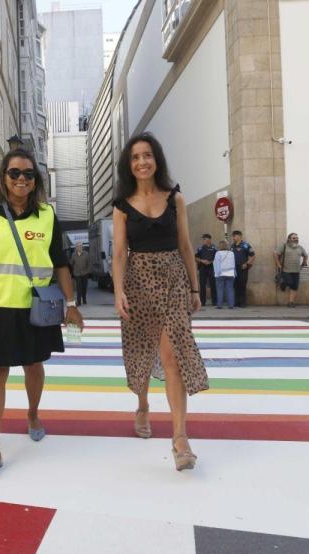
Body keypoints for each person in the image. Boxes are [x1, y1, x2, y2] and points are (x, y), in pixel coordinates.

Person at [0, 148, 84, 483]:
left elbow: (61, 264)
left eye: (28, 174)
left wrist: (71, 307)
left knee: (33, 365)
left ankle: (32, 414)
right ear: (3, 178)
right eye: (14, 173)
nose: (21, 179)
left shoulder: (47, 215)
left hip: (36, 307)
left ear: (36, 180)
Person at [111, 132, 209, 472]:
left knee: (172, 356)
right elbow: (120, 252)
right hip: (138, 284)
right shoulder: (122, 205)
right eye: (135, 157)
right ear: (129, 164)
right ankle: (142, 404)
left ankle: (180, 439)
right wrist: (118, 290)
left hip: (172, 283)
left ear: (157, 159)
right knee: (141, 352)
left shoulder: (175, 198)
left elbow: (185, 245)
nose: (142, 162)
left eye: (147, 155)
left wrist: (195, 289)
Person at [274, 233, 308, 308]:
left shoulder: (300, 247)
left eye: (296, 238)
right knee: (290, 282)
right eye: (293, 238)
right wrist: (278, 264)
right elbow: (275, 254)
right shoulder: (284, 246)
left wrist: (304, 262)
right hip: (286, 270)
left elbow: (305, 255)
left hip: (296, 271)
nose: (296, 239)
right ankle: (283, 284)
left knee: (294, 287)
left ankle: (291, 302)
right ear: (289, 239)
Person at [231, 230, 255, 307]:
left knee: (242, 285)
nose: (233, 238)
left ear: (239, 236)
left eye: (234, 236)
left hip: (243, 268)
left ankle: (243, 303)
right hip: (234, 269)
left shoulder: (246, 245)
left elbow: (253, 256)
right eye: (233, 236)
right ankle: (236, 302)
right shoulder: (232, 246)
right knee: (235, 285)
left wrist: (247, 263)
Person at [195, 234, 217, 307]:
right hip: (202, 268)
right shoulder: (200, 248)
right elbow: (195, 257)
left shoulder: (215, 248)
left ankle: (215, 302)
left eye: (204, 239)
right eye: (203, 239)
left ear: (209, 239)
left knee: (213, 284)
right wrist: (202, 260)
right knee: (202, 285)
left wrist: (211, 262)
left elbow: (218, 258)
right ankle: (202, 302)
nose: (203, 241)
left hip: (212, 268)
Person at [213, 239, 236, 309]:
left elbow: (216, 264)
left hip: (220, 273)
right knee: (230, 289)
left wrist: (216, 273)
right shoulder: (231, 253)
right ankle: (231, 305)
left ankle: (219, 305)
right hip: (231, 273)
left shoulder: (218, 253)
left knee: (220, 289)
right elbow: (233, 263)